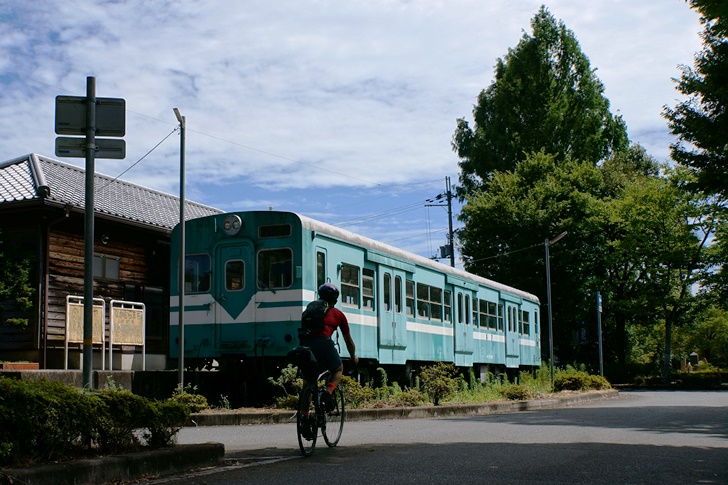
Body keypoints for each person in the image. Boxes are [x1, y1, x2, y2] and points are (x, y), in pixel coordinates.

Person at [300, 283, 359, 400]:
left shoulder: (309, 310)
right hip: (324, 344)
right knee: (338, 369)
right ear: (335, 300)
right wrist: (353, 357)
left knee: (308, 383)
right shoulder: (338, 314)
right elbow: (348, 341)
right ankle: (329, 390)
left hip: (305, 345)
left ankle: (304, 415)